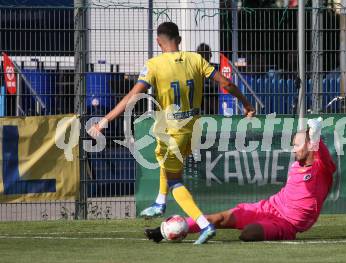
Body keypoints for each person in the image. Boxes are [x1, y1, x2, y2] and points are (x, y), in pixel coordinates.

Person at [88, 22, 255, 244]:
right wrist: (246, 104)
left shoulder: (154, 65)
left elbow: (131, 97)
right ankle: (160, 201)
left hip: (173, 130)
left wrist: (104, 121)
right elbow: (227, 83)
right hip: (192, 127)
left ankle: (204, 225)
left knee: (175, 180)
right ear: (179, 39)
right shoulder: (196, 59)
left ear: (158, 42)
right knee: (161, 155)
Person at [145, 118, 336, 242]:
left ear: (311, 145)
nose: (293, 149)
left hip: (286, 225)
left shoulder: (322, 169)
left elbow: (319, 151)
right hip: (268, 208)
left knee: (248, 234)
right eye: (293, 145)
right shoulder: (297, 164)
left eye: (297, 145)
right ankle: (162, 232)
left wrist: (315, 133)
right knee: (216, 218)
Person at [196, 43, 219, 115]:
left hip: (213, 98)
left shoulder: (215, 67)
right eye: (209, 53)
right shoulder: (195, 68)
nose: (211, 56)